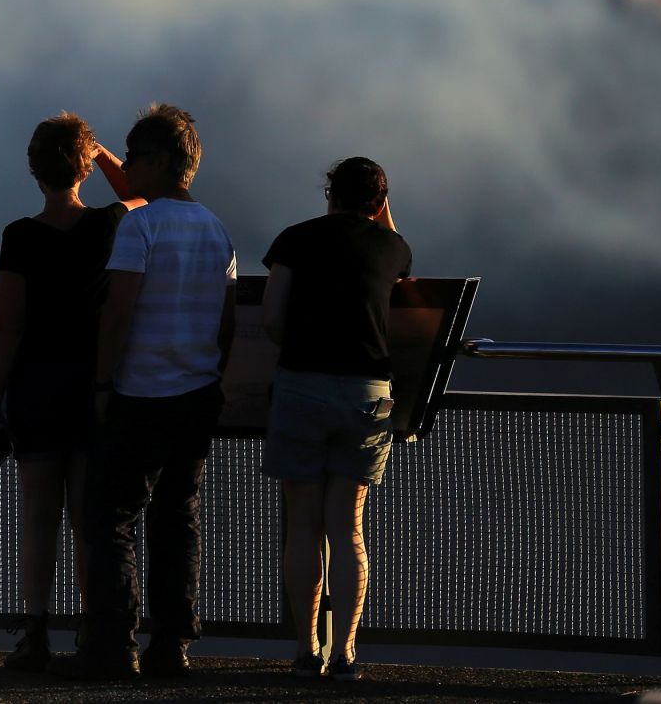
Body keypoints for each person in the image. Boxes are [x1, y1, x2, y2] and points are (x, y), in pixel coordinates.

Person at [61, 103, 237, 681]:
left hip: (140, 392)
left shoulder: (140, 226)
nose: (128, 167)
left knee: (111, 515)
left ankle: (112, 645)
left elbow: (119, 310)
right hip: (198, 391)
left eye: (134, 157)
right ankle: (173, 646)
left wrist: (104, 381)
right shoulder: (216, 229)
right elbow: (227, 318)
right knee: (177, 516)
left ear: (159, 161)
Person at [0, 112, 141, 672]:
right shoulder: (109, 224)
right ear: (83, 168)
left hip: (35, 388)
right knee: (87, 517)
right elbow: (147, 192)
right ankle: (90, 630)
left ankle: (35, 632)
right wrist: (99, 152)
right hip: (94, 387)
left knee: (38, 515)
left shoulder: (19, 237)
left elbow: (9, 327)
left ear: (33, 171)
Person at [260, 156, 411, 683]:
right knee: (347, 528)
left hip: (303, 383)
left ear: (330, 194)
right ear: (380, 201)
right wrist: (383, 213)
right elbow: (398, 259)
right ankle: (345, 653)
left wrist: (298, 352)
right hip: (368, 395)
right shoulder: (392, 247)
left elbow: (272, 316)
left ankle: (307, 650)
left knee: (303, 524)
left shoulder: (295, 239)